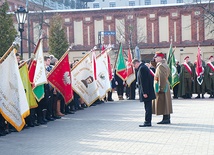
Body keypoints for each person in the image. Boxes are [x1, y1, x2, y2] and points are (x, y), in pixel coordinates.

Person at [132, 59, 156, 127]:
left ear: (136, 63)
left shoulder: (142, 68)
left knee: (148, 107)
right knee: (147, 107)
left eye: (134, 65)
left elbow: (144, 82)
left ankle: (147, 122)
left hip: (146, 92)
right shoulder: (143, 67)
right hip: (148, 91)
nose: (134, 67)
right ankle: (148, 121)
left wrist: (145, 92)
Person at [153, 52, 173, 124]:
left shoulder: (161, 66)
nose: (155, 58)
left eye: (156, 57)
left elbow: (162, 77)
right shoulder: (165, 65)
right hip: (165, 85)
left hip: (163, 85)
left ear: (160, 58)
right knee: (166, 103)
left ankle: (166, 119)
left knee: (164, 103)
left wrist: (161, 88)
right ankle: (166, 118)